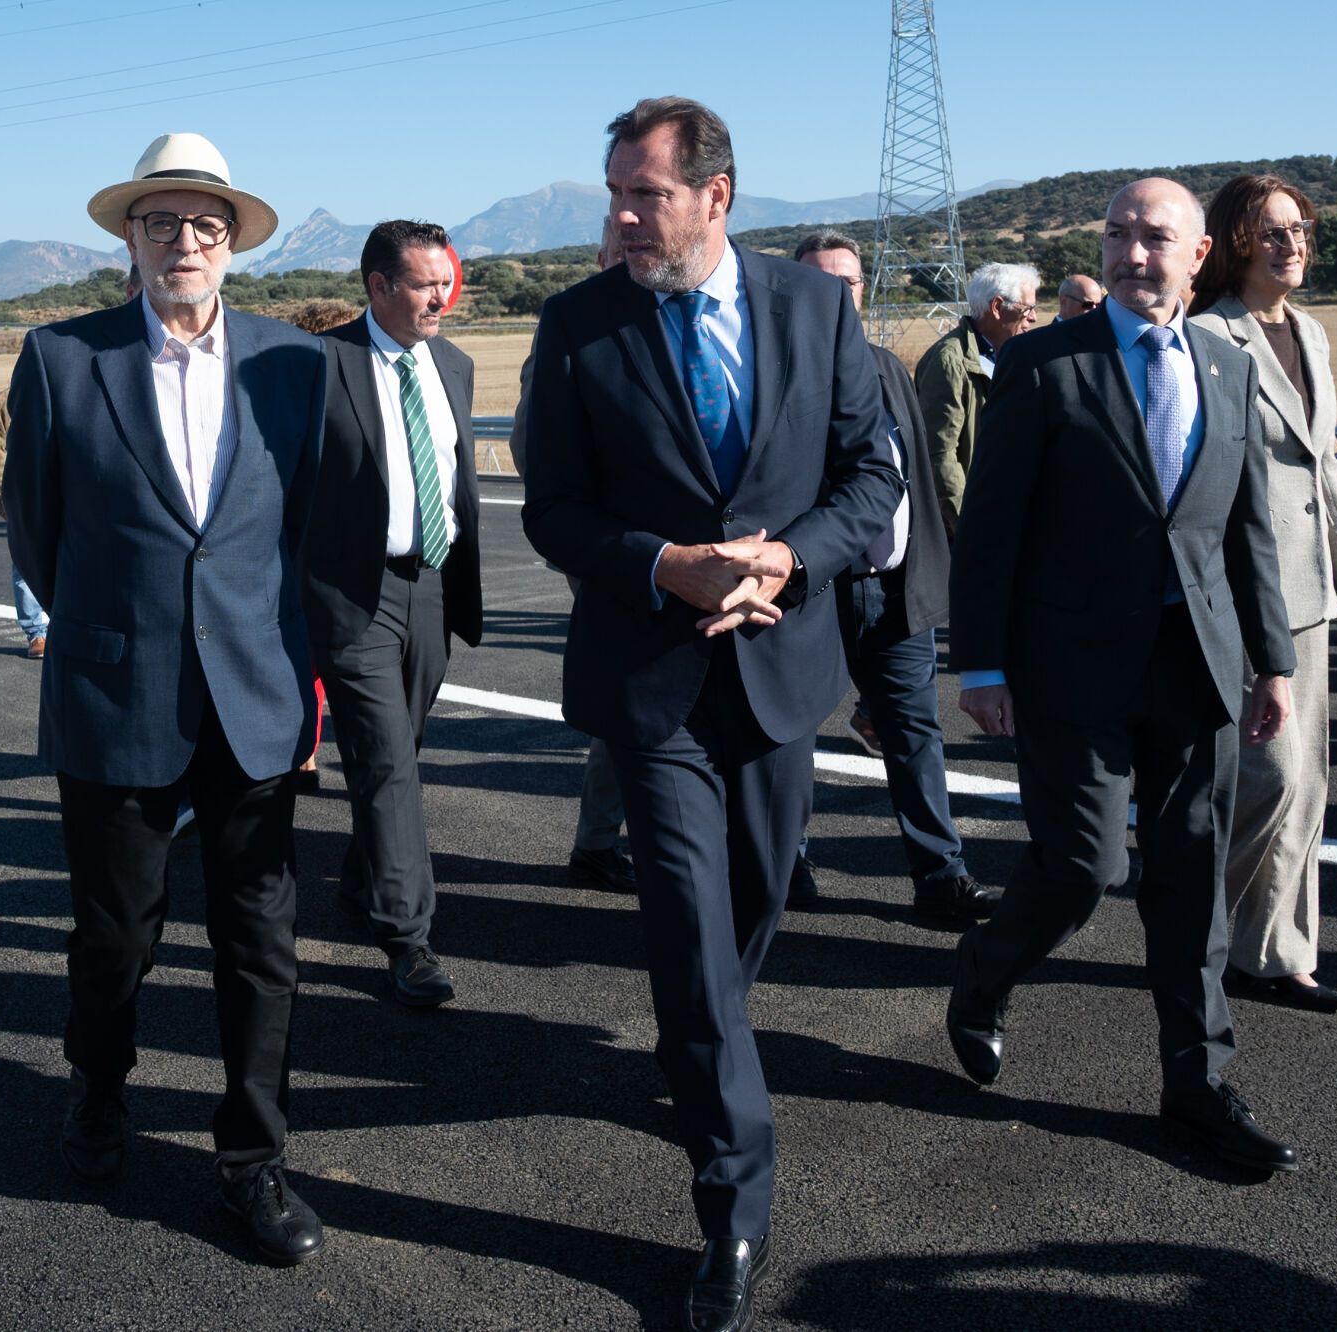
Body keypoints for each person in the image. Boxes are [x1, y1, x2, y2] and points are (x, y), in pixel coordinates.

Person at [523, 97, 900, 1332]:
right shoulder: (577, 324)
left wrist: (787, 558)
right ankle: (733, 1203)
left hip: (780, 669)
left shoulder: (813, 310)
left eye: (646, 195)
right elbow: (552, 508)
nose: (623, 218)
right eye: (615, 195)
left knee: (751, 906)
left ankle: (697, 1045)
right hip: (653, 684)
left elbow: (870, 477)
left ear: (715, 197)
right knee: (687, 929)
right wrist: (659, 563)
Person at [2, 133, 327, 1265]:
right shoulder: (61, 358)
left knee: (260, 943)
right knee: (114, 937)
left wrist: (294, 676)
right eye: (161, 222)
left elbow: (306, 532)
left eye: (205, 224)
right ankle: (98, 1088)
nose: (183, 241)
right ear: (129, 239)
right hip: (115, 689)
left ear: (232, 243)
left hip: (254, 695)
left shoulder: (295, 364)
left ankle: (252, 1158)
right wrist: (116, 627)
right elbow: (35, 526)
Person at [945, 178, 1302, 1174]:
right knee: (1081, 866)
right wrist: (980, 664)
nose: (1131, 254)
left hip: (1197, 665)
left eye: (1154, 237)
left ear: (1199, 256)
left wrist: (1271, 660)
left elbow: (1245, 532)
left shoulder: (1227, 366)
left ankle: (1196, 1086)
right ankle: (983, 973)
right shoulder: (1041, 363)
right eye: (1116, 234)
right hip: (1070, 666)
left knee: (1189, 878)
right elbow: (990, 530)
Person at [1188, 175, 1337, 1014]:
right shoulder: (1206, 335)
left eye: (1299, 228)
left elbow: (1322, 461)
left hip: (1308, 591)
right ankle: (1203, 936)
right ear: (1235, 242)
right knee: (1266, 778)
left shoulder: (1312, 331)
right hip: (1237, 592)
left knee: (1306, 784)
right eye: (1272, 232)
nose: (1291, 244)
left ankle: (1279, 954)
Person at [304, 220, 482, 1008]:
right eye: (423, 285)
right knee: (385, 762)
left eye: (445, 283)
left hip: (431, 588)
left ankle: (361, 878)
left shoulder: (455, 365)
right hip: (353, 595)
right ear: (378, 286)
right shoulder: (320, 364)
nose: (441, 298)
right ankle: (409, 939)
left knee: (399, 749)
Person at [788, 229, 990, 922]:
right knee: (792, 734)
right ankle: (787, 863)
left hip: (895, 589)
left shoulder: (887, 368)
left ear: (861, 291)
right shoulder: (772, 373)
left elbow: (918, 478)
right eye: (819, 281)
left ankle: (941, 877)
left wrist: (934, 569)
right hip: (810, 590)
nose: (835, 294)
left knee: (913, 734)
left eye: (846, 282)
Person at [510, 218, 634, 895]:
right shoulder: (573, 326)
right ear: (601, 256)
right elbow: (533, 447)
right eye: (621, 249)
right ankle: (599, 841)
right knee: (627, 704)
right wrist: (583, 539)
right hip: (611, 557)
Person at [915, 261, 1040, 533]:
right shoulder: (949, 361)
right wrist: (969, 528)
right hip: (973, 524)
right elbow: (940, 455)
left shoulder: (1014, 354)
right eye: (1027, 309)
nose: (1033, 318)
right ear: (997, 307)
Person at [0, 379, 48, 657]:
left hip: (63, 489)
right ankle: (37, 633)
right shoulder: (4, 402)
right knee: (25, 563)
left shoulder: (63, 387)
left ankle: (65, 627)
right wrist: (0, 495)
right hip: (24, 494)